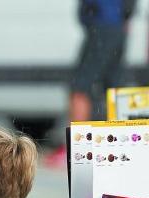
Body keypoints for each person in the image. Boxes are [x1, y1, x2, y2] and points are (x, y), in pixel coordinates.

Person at [46, 0, 136, 168]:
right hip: (115, 24)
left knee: (79, 87)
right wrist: (126, 15)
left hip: (102, 24)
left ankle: (75, 150)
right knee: (115, 86)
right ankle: (125, 148)